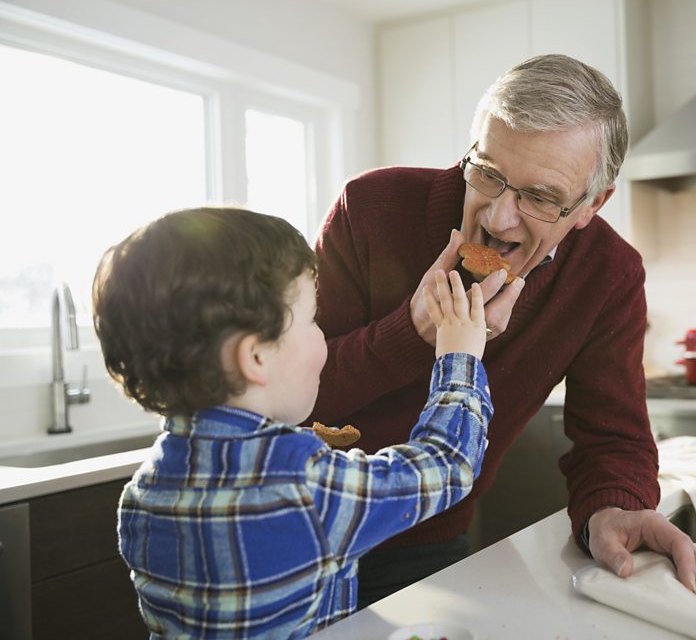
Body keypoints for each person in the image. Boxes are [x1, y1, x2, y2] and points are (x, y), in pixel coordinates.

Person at [308, 53, 696, 608]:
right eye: (488, 175)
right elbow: (288, 398)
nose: (498, 219)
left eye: (541, 198)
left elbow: (613, 437)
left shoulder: (609, 274)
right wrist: (413, 332)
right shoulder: (371, 208)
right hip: (292, 529)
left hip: (422, 543)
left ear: (592, 204)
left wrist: (614, 507)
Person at [92, 206, 492, 637]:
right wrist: (460, 356)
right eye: (311, 319)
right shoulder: (306, 484)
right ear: (256, 357)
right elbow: (447, 463)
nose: (321, 334)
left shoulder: (141, 496)